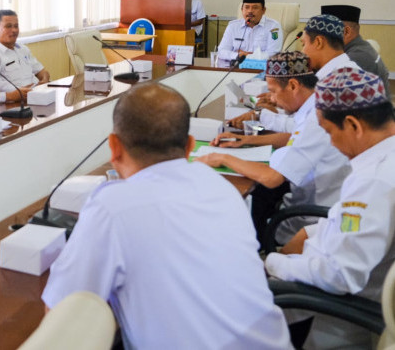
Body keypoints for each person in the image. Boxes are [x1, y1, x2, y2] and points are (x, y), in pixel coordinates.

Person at [42, 82, 291, 349]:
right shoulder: (223, 188)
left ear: (114, 147)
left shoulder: (111, 206)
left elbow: (62, 315)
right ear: (190, 146)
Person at [266, 67, 395, 349]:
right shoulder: (385, 157)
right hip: (321, 276)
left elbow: (340, 275)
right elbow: (352, 224)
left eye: (328, 132)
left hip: (328, 309)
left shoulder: (373, 183)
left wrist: (274, 263)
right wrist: (312, 232)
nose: (332, 144)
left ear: (353, 125)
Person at [197, 52, 350, 244]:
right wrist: (245, 140)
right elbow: (293, 137)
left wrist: (223, 158)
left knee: (241, 207)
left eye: (273, 91)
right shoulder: (317, 104)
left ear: (294, 85)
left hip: (308, 219)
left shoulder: (315, 120)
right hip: (313, 198)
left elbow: (271, 178)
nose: (273, 100)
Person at [228, 13, 358, 132]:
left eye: (304, 44)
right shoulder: (332, 72)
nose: (303, 51)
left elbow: (305, 129)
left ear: (318, 42)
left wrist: (262, 116)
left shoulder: (340, 81)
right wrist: (279, 100)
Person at [322, 4, 391, 100]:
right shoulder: (361, 48)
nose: (323, 39)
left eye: (326, 32)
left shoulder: (355, 57)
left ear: (346, 31)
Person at [0, 9, 50, 89]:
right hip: (17, 98)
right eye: (8, 26)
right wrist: (19, 92)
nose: (14, 30)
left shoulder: (23, 49)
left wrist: (44, 80)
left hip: (36, 92)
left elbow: (41, 71)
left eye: (16, 26)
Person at [217, 0, 283, 64]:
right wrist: (238, 55)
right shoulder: (233, 26)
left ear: (263, 10)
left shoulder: (273, 27)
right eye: (247, 7)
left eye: (255, 8)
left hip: (262, 70)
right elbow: (221, 51)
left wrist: (246, 55)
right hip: (236, 68)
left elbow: (273, 54)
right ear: (242, 10)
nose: (250, 11)